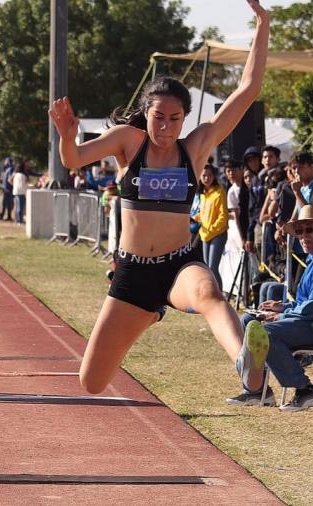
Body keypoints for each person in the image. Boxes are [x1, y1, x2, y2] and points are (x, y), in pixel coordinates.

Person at [48, 0, 270, 397]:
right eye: (158, 117)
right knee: (92, 381)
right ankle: (151, 313)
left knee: (210, 294)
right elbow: (75, 159)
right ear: (146, 114)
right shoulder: (127, 143)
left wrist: (263, 24)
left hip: (178, 263)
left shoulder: (196, 147)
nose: (166, 127)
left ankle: (248, 367)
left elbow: (248, 89)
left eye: (174, 118)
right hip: (133, 272)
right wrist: (67, 137)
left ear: (185, 117)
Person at [235, 205, 313, 410]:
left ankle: (306, 390)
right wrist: (281, 307)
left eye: (309, 230)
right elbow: (307, 303)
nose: (303, 236)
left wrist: (283, 313)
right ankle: (258, 391)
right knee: (249, 320)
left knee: (265, 332)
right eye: (300, 231)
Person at [196, 164, 228, 288]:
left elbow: (223, 217)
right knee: (208, 269)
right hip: (205, 235)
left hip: (218, 234)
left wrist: (211, 230)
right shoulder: (203, 193)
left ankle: (219, 296)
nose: (207, 178)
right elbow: (205, 214)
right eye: (204, 175)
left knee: (213, 268)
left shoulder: (220, 191)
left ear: (214, 176)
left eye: (210, 175)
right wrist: (196, 218)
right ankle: (214, 295)